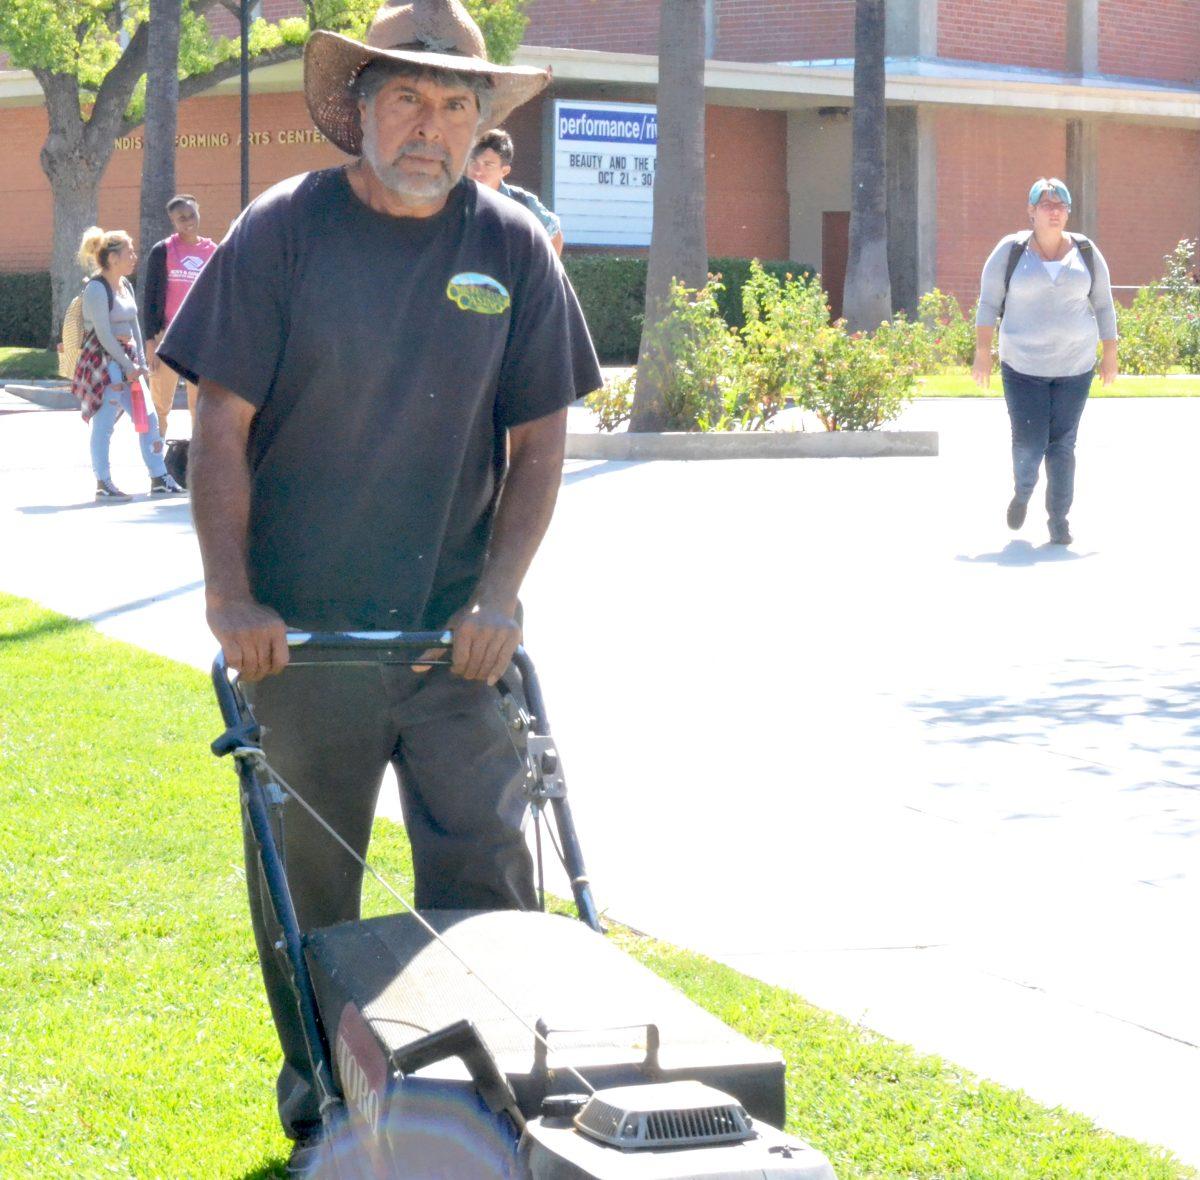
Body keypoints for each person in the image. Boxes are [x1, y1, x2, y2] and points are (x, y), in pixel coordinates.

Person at [156, 0, 600, 1172]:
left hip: (455, 642)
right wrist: (232, 597)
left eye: (458, 102)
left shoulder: (510, 247)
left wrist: (499, 595)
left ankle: (495, 1108)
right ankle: (325, 1105)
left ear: (479, 125)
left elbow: (543, 444)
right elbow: (220, 422)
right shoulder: (282, 232)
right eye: (406, 96)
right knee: (311, 895)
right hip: (300, 645)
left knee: (494, 874)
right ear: (358, 109)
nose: (432, 124)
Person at [973, 177, 1117, 545]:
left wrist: (1109, 355)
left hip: (1075, 366)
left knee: (1063, 444)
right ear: (1031, 211)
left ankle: (1059, 520)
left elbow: (1103, 303)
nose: (1054, 212)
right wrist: (982, 354)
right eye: (1046, 204)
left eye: (1061, 205)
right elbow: (989, 303)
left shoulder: (1085, 250)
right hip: (1023, 367)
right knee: (1030, 443)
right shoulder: (1011, 251)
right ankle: (1023, 492)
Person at [70, 227, 184, 501]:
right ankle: (104, 482)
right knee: (104, 425)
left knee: (149, 420)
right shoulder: (96, 289)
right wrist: (127, 366)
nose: (134, 256)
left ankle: (159, 477)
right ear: (111, 259)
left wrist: (141, 365)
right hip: (106, 366)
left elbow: (133, 326)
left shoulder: (126, 286)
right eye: (128, 252)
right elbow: (104, 335)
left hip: (130, 365)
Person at [142, 194, 218, 438]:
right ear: (172, 221)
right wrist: (150, 341)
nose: (188, 222)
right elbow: (150, 298)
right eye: (181, 218)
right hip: (167, 336)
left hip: (201, 338)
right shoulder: (162, 251)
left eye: (192, 215)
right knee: (160, 404)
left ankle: (197, 463)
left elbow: (218, 294)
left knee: (201, 406)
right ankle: (156, 463)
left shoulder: (213, 251)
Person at [469, 127, 565, 254]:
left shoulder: (522, 202)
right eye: (473, 162)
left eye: (488, 165)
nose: (477, 171)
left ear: (505, 171)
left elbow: (554, 235)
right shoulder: (455, 201)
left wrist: (546, 272)